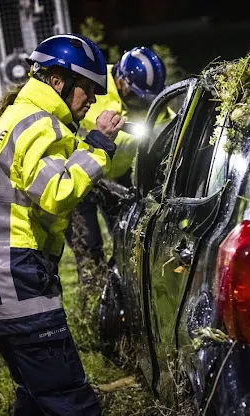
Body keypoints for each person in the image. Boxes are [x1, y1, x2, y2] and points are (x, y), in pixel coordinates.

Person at [0, 33, 125, 416]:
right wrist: (99, 146)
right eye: (87, 88)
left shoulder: (2, 123)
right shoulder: (39, 125)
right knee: (68, 393)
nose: (91, 100)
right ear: (58, 80)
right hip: (13, 275)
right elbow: (57, 192)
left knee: (35, 386)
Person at [65, 46, 173, 277]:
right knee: (88, 246)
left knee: (126, 236)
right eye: (137, 97)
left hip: (117, 174)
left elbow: (168, 123)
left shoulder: (145, 99)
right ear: (121, 81)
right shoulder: (92, 86)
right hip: (80, 177)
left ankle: (122, 288)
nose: (142, 106)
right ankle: (94, 296)